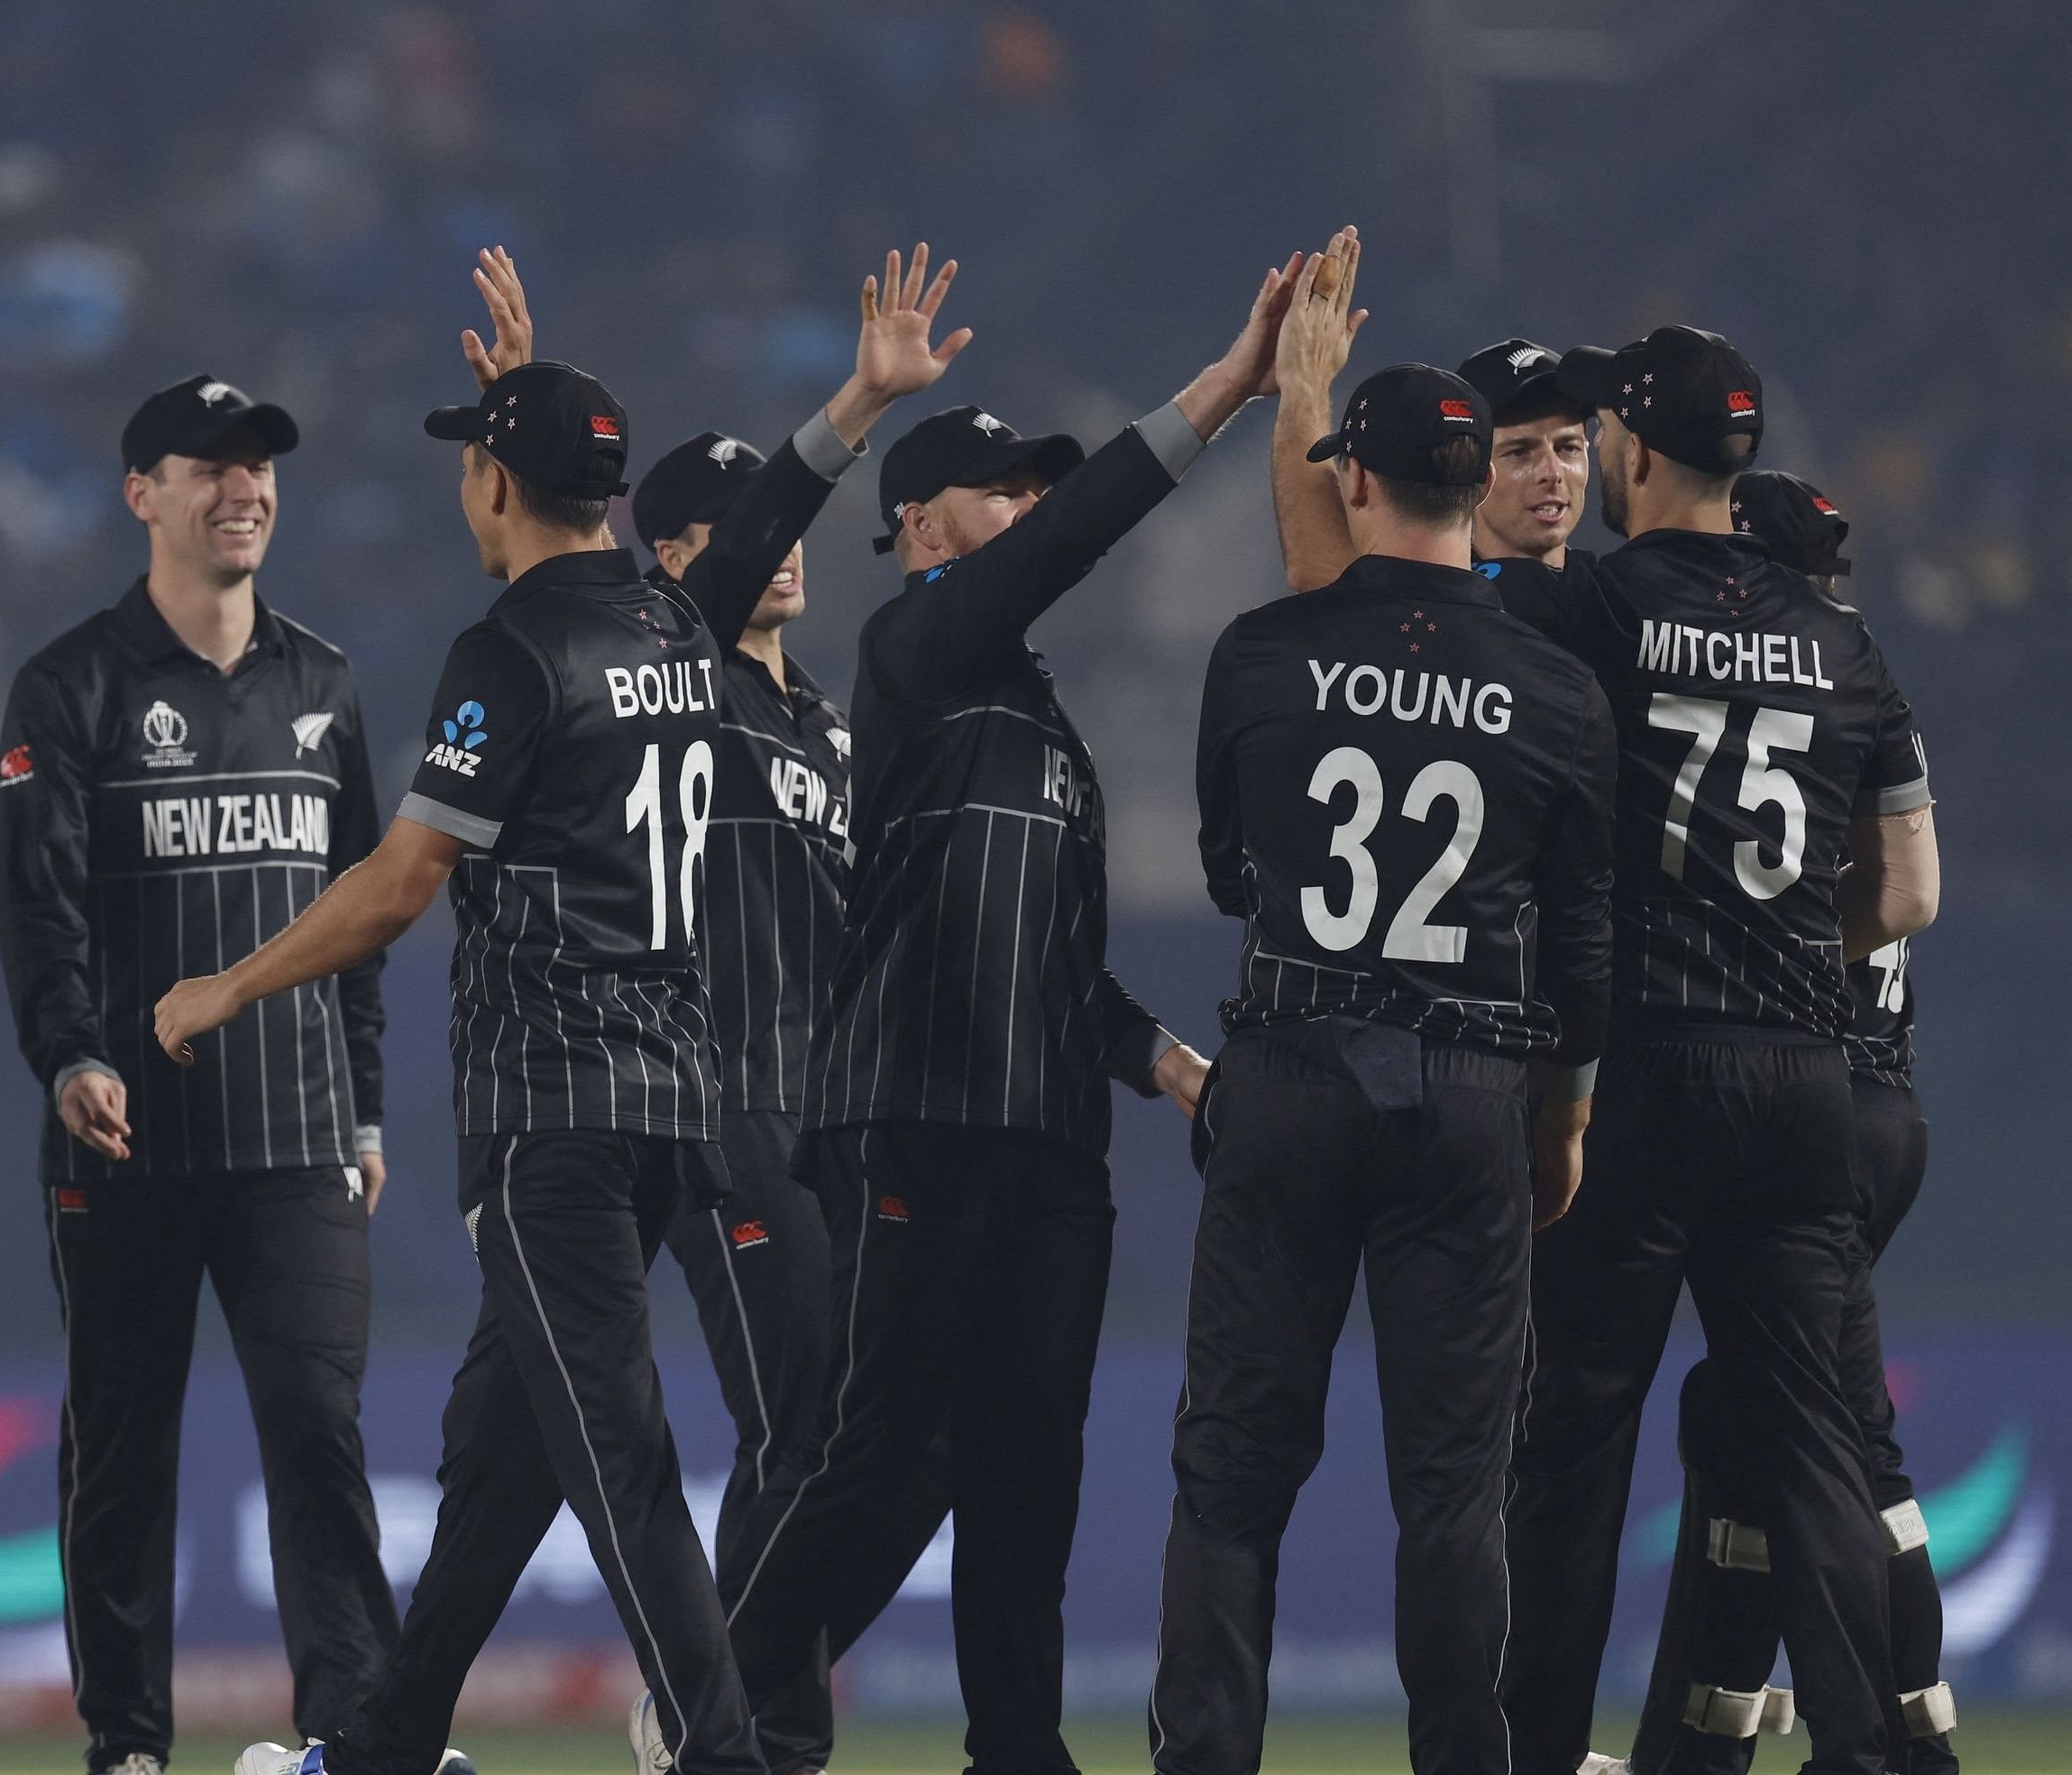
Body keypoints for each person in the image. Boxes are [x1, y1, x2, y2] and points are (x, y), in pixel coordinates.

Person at [153, 248, 962, 1775]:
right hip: (669, 1104)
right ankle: (381, 1748)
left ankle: (722, 1754)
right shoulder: (675, 629)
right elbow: (773, 505)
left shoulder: (512, 650)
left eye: (479, 462)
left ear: (498, 493)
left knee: (617, 1454)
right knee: (501, 1458)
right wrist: (856, 395)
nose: (468, 488)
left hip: (555, 1111)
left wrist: (229, 983)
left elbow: (398, 885)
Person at [1273, 267, 1941, 1772]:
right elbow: (1906, 888)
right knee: (1816, 1440)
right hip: (1803, 1070)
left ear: (1635, 455)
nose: (1567, 463)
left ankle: (1537, 1748)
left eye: (1587, 438)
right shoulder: (1845, 643)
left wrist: (1302, 408)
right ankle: (1874, 1750)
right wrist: (1783, 942)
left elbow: (1347, 608)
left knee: (1572, 1444)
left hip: (1639, 1067)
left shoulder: (1592, 606)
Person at [717, 251, 1297, 1775]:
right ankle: (719, 1694)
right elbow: (1084, 535)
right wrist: (1226, 394)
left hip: (1047, 1142)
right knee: (879, 1449)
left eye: (1038, 486)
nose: (1033, 505)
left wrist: (1164, 1058)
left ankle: (1018, 1749)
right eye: (1003, 489)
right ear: (922, 527)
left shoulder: (1039, 718)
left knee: (1028, 1469)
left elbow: (1057, 957)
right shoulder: (913, 654)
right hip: (914, 1106)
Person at [1150, 328, 1616, 1775]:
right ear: (1476, 489)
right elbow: (1583, 951)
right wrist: (1563, 1124)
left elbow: (1231, 873)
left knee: (1231, 1478)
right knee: (1454, 1493)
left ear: (1352, 479)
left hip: (1288, 1068)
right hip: (1472, 1090)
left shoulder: (1264, 650)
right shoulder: (1554, 694)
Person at [0, 372, 399, 1775]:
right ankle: (130, 1748)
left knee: (319, 1432)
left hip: (297, 1140)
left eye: (260, 468)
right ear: (141, 495)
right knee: (121, 1458)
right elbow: (37, 911)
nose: (244, 491)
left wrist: (364, 1103)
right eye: (210, 467)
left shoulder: (324, 682)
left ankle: (354, 1735)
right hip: (124, 1146)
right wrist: (69, 1059)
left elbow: (365, 911)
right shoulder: (69, 685)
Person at [619, 247, 976, 1775]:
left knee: (871, 1435)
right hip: (723, 1096)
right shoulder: (680, 675)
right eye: (713, 535)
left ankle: (732, 1675)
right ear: (675, 564)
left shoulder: (828, 719)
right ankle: (747, 1722)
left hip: (834, 1113)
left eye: (766, 528)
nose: (770, 552)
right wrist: (857, 403)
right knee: (796, 1423)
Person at [1623, 475, 1957, 1775]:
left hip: (1786, 1092)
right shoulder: (1859, 687)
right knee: (1776, 1416)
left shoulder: (1711, 700)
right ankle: (1801, 1734)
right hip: (1877, 1102)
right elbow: (1915, 889)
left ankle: (1799, 1741)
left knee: (1800, 1428)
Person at [1455, 338, 1596, 569]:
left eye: (1568, 448)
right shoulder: (1434, 602)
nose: (1552, 473)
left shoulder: (1620, 599)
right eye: (1520, 452)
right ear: (1467, 470)